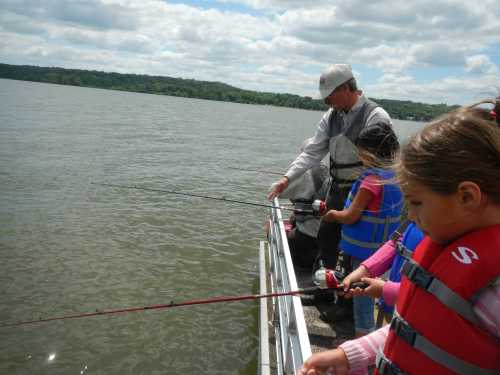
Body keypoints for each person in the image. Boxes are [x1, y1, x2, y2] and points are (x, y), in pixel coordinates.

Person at [298, 99, 500, 375]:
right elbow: (416, 331)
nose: (412, 217)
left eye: (416, 204)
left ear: (467, 196)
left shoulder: (492, 286)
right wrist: (350, 355)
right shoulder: (444, 235)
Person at [267, 64, 393, 277]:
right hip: (337, 188)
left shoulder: (376, 115)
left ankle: (346, 302)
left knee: (353, 246)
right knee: (326, 236)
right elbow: (312, 152)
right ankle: (326, 290)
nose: (326, 101)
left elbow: (383, 163)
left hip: (363, 191)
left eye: (329, 95)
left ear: (345, 88)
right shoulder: (331, 115)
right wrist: (286, 180)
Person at [320, 122, 403, 336]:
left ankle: (361, 335)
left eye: (361, 152)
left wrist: (332, 215)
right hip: (383, 250)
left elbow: (350, 216)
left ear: (370, 152)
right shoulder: (397, 176)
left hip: (363, 253)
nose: (359, 156)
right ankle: (369, 332)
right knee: (369, 293)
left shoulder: (371, 181)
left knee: (361, 297)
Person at [342, 220, 424, 327]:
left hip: (414, 319)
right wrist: (363, 271)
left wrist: (386, 290)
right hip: (393, 306)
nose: (411, 215)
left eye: (417, 203)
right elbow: (395, 244)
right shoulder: (417, 221)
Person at [280, 138, 330, 270]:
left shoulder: (304, 173)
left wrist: (288, 178)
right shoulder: (328, 171)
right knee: (293, 218)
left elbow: (279, 193)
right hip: (325, 233)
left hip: (307, 237)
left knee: (285, 238)